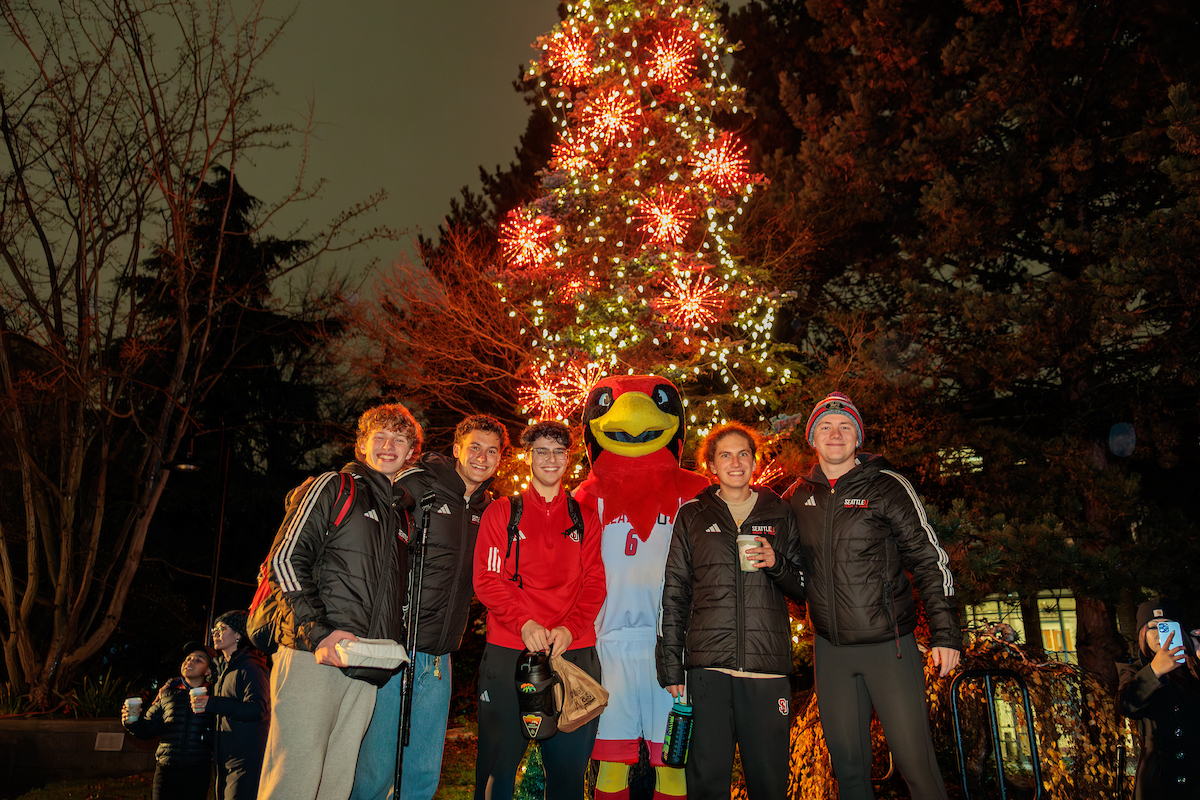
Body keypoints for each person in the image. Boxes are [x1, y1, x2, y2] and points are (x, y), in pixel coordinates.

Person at [783, 391, 961, 800]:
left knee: (917, 767)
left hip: (889, 648)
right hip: (831, 652)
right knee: (848, 772)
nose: (835, 433)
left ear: (858, 438)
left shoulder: (886, 486)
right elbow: (792, 572)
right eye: (826, 426)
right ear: (812, 437)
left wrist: (946, 634)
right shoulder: (797, 496)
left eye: (845, 426)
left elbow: (928, 558)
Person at [257, 403, 419, 800]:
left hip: (365, 663)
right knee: (294, 780)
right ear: (361, 445)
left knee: (336, 784)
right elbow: (284, 559)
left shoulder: (402, 516)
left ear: (411, 452)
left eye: (399, 439)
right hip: (313, 655)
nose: (388, 446)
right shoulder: (334, 486)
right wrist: (320, 633)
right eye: (379, 436)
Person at [351, 414, 508, 800]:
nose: (482, 457)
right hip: (397, 648)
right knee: (375, 771)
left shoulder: (489, 509)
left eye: (491, 451)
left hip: (440, 656)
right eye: (474, 447)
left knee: (422, 775)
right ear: (457, 449)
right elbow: (369, 524)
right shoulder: (419, 483)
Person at [656, 422, 806, 800]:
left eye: (743, 454)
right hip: (708, 669)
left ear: (754, 462)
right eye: (725, 455)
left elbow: (804, 587)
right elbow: (674, 594)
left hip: (766, 667)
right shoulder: (692, 515)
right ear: (712, 465)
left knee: (769, 783)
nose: (735, 462)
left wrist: (777, 563)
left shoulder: (781, 512)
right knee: (707, 782)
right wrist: (671, 666)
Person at [472, 420, 606, 800]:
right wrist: (524, 624)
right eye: (541, 451)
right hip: (509, 651)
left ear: (569, 458)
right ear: (528, 457)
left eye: (559, 451)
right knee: (496, 773)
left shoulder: (585, 517)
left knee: (567, 778)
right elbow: (486, 578)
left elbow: (595, 582)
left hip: (572, 654)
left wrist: (570, 628)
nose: (551, 459)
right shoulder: (502, 512)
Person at [1118, 596, 1200, 799]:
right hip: (1159, 779)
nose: (1160, 634)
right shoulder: (1134, 671)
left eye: (1167, 626)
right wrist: (1155, 671)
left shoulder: (1195, 668)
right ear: (1142, 634)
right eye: (1153, 627)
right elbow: (1126, 705)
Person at [190, 609, 270, 800]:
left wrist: (213, 703)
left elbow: (257, 709)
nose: (215, 633)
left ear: (238, 635)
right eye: (214, 629)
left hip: (246, 758)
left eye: (222, 628)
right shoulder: (224, 669)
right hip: (224, 757)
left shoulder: (251, 666)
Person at [123, 642, 216, 800]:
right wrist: (132, 722)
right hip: (167, 770)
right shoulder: (167, 694)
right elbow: (149, 728)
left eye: (198, 660)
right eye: (188, 658)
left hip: (198, 771)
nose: (190, 662)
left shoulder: (215, 697)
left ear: (208, 671)